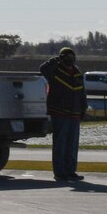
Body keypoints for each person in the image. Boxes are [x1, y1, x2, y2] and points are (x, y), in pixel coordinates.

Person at [41, 46, 87, 183]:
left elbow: (81, 92)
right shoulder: (55, 71)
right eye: (66, 57)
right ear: (61, 58)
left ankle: (70, 171)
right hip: (60, 113)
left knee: (72, 145)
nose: (70, 60)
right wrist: (55, 60)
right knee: (60, 145)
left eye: (72, 57)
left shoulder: (77, 72)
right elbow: (43, 69)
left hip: (74, 113)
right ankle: (60, 173)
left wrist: (83, 108)